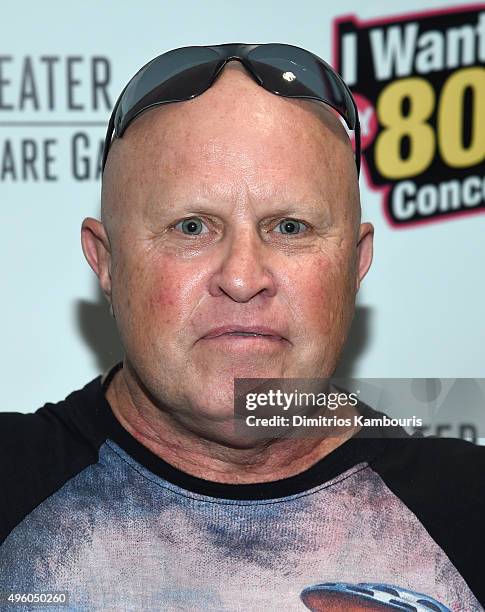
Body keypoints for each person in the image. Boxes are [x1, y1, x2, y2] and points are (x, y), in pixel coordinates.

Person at [0, 43, 483, 612]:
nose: (243, 276)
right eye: (192, 226)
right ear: (106, 261)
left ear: (356, 263)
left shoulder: (471, 510)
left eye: (290, 226)